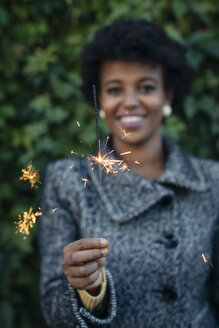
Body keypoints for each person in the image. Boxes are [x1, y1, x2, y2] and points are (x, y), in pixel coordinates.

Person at [39, 19, 219, 328]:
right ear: (101, 102)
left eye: (147, 87)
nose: (130, 102)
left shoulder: (212, 181)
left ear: (168, 96)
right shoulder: (68, 181)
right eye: (114, 89)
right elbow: (55, 310)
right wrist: (90, 289)